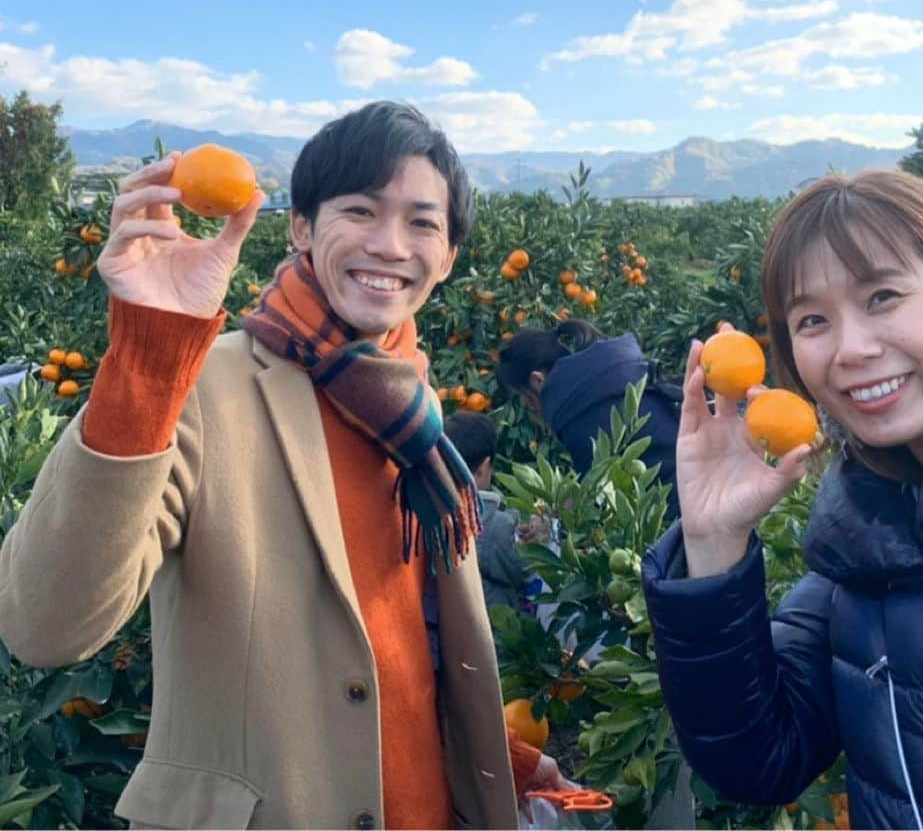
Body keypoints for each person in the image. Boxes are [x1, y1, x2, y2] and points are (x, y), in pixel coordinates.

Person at [0, 101, 569, 829]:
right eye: (360, 211)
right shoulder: (204, 386)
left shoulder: (415, 408)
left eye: (422, 222)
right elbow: (44, 625)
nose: (391, 244)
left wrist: (493, 761)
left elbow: (400, 648)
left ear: (449, 254)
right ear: (302, 226)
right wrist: (148, 350)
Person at [642, 168, 923, 829]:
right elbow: (758, 763)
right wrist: (712, 539)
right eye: (812, 319)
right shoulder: (865, 537)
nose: (851, 349)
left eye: (881, 296)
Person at [497, 320, 681, 516]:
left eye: (524, 396)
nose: (528, 405)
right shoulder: (603, 382)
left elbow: (596, 499)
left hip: (678, 510)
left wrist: (553, 523)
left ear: (537, 380)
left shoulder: (580, 417)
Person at [443, 409, 531, 613]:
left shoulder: (434, 516)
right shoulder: (495, 525)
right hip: (493, 632)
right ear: (485, 466)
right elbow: (523, 567)